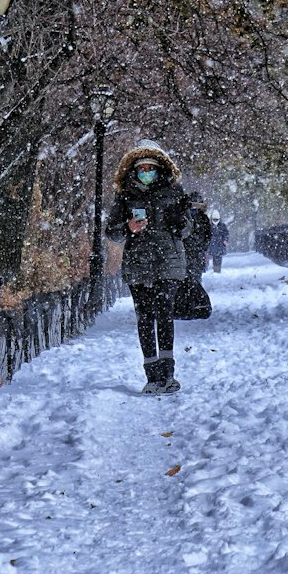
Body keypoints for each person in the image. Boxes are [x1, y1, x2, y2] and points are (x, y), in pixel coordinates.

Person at [105, 143, 191, 394]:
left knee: (165, 314)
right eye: (141, 168)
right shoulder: (125, 196)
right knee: (145, 317)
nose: (145, 172)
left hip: (168, 262)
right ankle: (151, 375)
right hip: (138, 264)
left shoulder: (174, 192)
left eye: (150, 168)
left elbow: (188, 229)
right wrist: (128, 227)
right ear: (134, 171)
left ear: (159, 169)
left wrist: (178, 224)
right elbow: (112, 232)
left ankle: (168, 374)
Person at [183, 194, 212, 280]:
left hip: (195, 252)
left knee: (194, 277)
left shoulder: (203, 218)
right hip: (191, 252)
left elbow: (208, 235)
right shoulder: (202, 218)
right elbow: (208, 236)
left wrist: (203, 247)